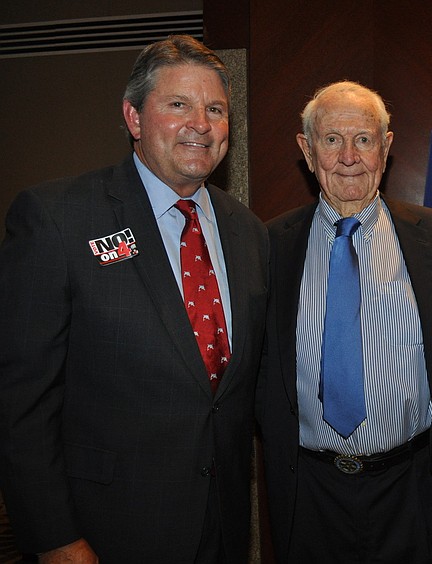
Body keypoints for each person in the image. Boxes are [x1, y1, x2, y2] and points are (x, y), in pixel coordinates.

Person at [0, 35, 269, 563]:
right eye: (178, 105)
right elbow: (21, 403)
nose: (201, 123)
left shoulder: (249, 232)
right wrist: (55, 538)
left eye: (215, 109)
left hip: (224, 528)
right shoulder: (58, 217)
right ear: (133, 117)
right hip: (106, 533)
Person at [256, 80, 432, 562]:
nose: (349, 156)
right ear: (307, 150)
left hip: (414, 487)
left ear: (387, 146)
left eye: (364, 139)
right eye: (332, 139)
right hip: (308, 491)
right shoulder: (266, 248)